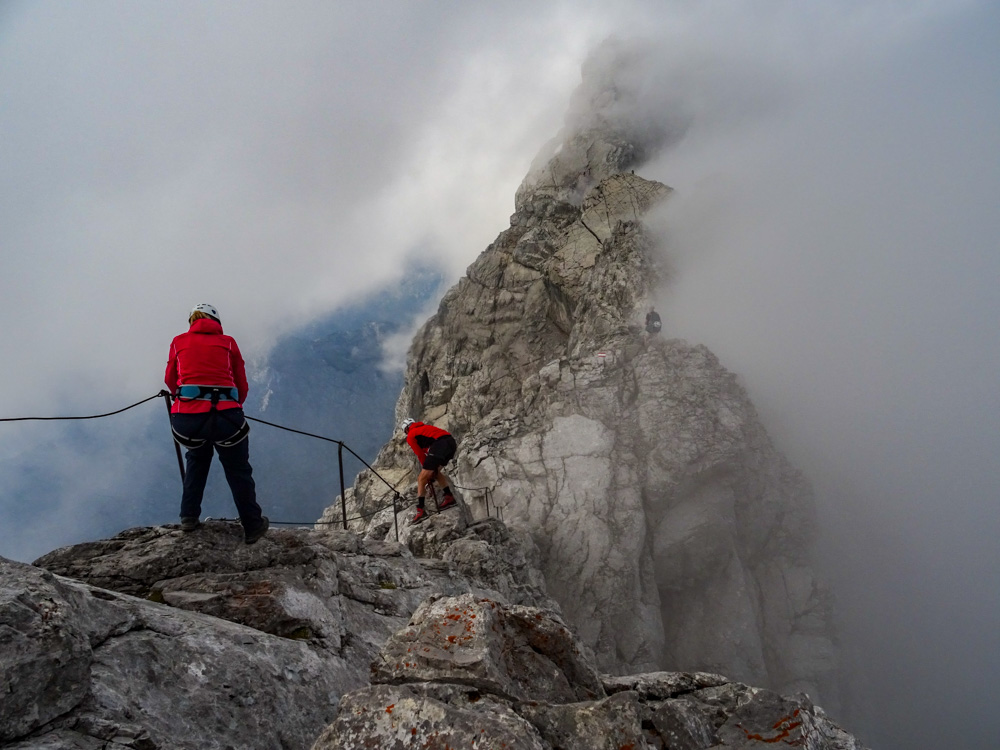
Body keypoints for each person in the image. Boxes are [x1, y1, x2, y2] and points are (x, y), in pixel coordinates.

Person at [164, 303, 268, 544]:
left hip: (187, 421)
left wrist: (188, 401)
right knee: (238, 469)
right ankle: (252, 525)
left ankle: (189, 516)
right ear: (217, 322)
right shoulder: (228, 343)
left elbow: (170, 380)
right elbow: (241, 384)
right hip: (227, 419)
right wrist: (231, 405)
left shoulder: (178, 342)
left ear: (191, 322)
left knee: (197, 459)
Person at [400, 418, 457, 524]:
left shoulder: (411, 435)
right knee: (435, 472)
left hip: (439, 445)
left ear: (406, 429)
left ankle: (420, 510)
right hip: (451, 442)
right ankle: (448, 496)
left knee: (421, 478)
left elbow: (420, 454)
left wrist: (425, 470)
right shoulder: (424, 428)